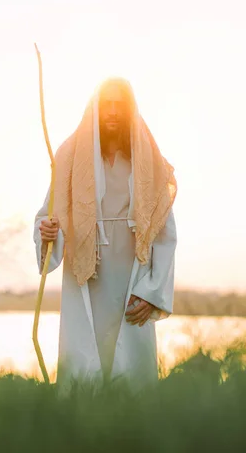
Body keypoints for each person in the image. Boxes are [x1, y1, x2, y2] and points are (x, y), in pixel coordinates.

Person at [33, 77, 177, 390]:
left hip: (133, 276)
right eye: (105, 104)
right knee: (85, 364)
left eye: (119, 105)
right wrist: (46, 231)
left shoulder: (147, 159)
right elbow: (49, 216)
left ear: (130, 111)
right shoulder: (69, 156)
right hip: (86, 274)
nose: (112, 111)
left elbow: (165, 232)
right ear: (94, 108)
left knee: (131, 369)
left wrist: (152, 292)